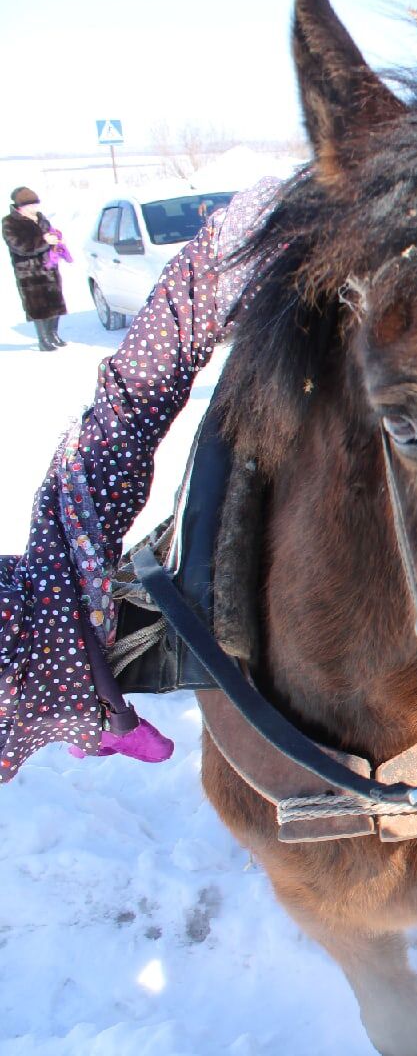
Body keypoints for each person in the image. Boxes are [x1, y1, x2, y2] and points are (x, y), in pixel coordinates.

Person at [0, 177, 280, 782]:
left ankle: (220, 261)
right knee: (121, 421)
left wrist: (111, 720)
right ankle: (220, 260)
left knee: (120, 425)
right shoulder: (44, 638)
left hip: (59, 623)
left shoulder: (45, 666)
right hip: (58, 617)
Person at [3, 187, 69, 351]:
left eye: (35, 204)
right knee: (38, 307)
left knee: (56, 303)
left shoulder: (41, 218)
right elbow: (20, 246)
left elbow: (50, 237)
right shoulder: (9, 222)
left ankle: (53, 334)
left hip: (49, 268)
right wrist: (44, 240)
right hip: (29, 272)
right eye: (30, 205)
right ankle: (43, 340)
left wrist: (57, 241)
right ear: (20, 206)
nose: (34, 208)